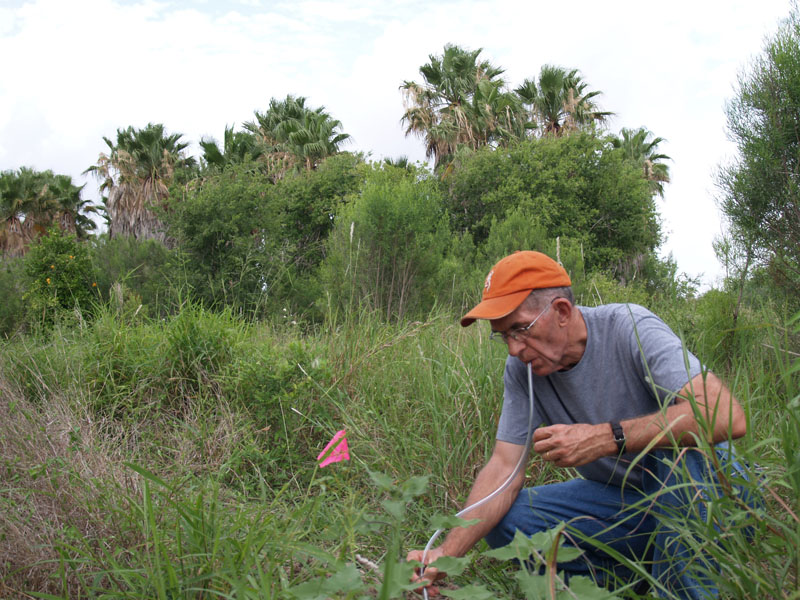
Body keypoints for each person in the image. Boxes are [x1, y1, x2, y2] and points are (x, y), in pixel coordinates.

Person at [407, 250, 747, 599]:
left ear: (561, 312)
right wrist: (444, 557)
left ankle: (686, 587)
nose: (513, 349)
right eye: (503, 335)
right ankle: (624, 584)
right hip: (632, 506)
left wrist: (607, 437)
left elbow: (724, 415)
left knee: (678, 453)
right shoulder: (522, 371)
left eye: (520, 329)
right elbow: (503, 469)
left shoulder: (629, 326)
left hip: (714, 499)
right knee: (509, 519)